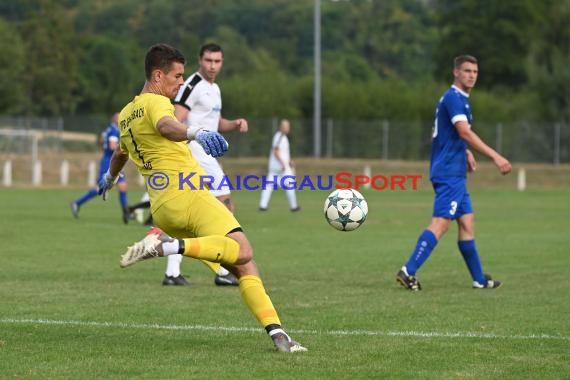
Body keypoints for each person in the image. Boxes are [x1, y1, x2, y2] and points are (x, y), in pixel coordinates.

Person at [98, 43, 306, 353]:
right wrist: (197, 133)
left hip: (164, 209)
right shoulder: (156, 103)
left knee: (243, 267)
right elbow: (168, 126)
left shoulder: (127, 113)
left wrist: (110, 178)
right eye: (177, 76)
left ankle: (278, 335)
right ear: (157, 75)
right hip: (189, 196)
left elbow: (120, 153)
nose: (181, 82)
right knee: (243, 250)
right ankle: (167, 246)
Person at [396, 55, 512, 291]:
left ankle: (479, 279)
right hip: (448, 173)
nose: (472, 75)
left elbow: (447, 135)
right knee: (441, 223)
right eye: (467, 70)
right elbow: (464, 132)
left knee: (467, 223)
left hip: (455, 171)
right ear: (456, 73)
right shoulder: (454, 98)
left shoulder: (460, 100)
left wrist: (465, 151)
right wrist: (495, 156)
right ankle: (408, 271)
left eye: (475, 71)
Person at [151, 43, 246, 287]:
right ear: (200, 60)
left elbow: (214, 123)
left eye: (217, 61)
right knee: (223, 207)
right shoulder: (192, 84)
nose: (212, 66)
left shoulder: (215, 89)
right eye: (208, 61)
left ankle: (173, 273)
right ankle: (223, 269)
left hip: (207, 155)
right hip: (195, 153)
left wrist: (233, 124)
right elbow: (176, 118)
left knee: (188, 213)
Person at [70, 112, 129, 223]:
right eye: (119, 116)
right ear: (114, 119)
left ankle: (127, 212)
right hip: (109, 162)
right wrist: (126, 146)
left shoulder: (110, 129)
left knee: (123, 186)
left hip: (114, 160)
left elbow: (103, 141)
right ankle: (77, 203)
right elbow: (112, 146)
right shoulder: (113, 130)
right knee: (101, 188)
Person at [259, 119, 300, 212]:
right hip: (281, 167)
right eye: (286, 126)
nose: (288, 128)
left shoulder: (282, 137)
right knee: (290, 185)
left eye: (288, 126)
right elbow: (276, 151)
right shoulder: (280, 136)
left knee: (269, 187)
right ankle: (294, 207)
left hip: (277, 167)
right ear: (281, 127)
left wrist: (289, 161)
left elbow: (283, 152)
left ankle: (262, 206)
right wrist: (283, 163)